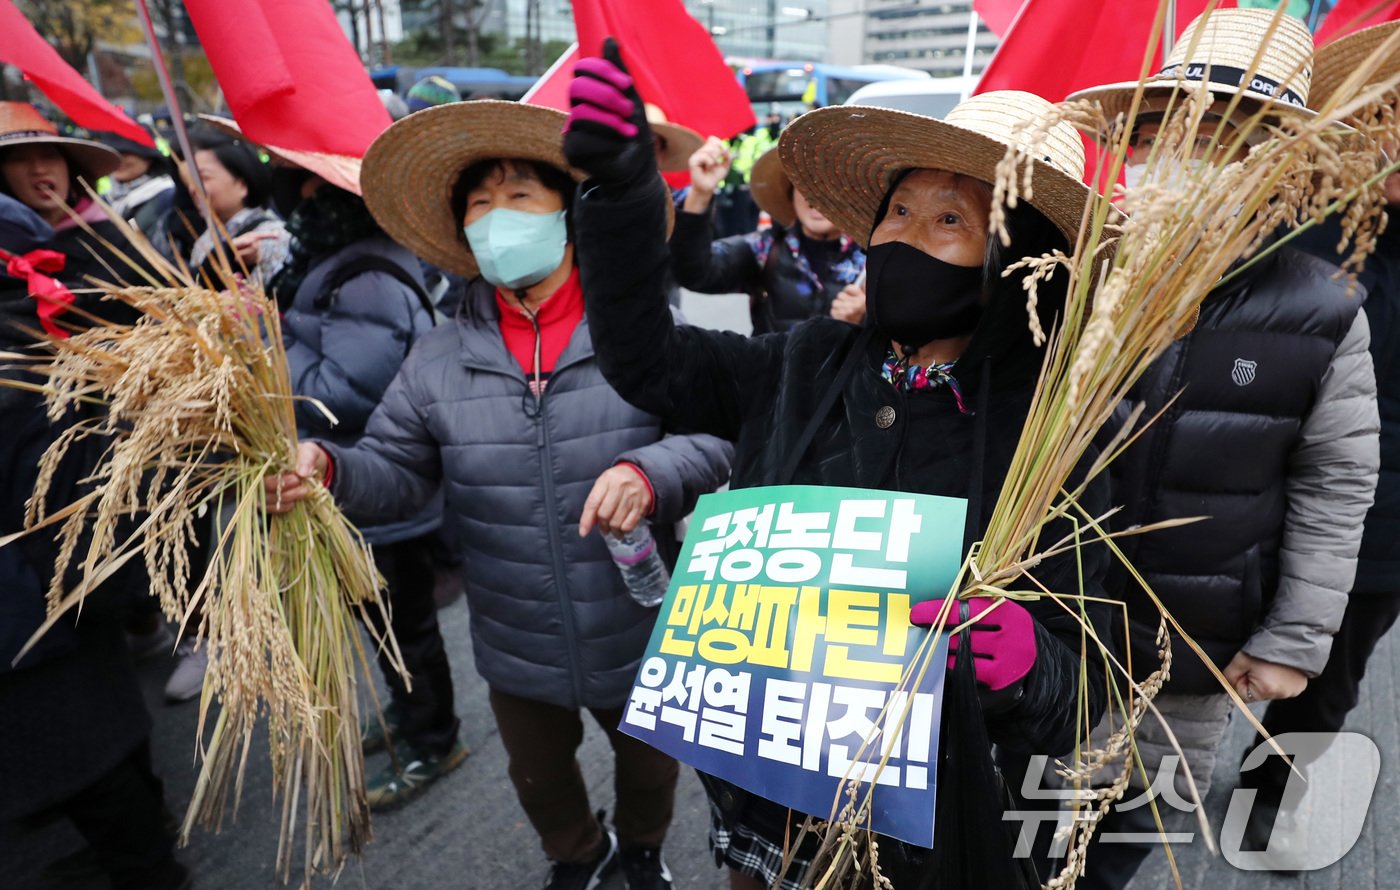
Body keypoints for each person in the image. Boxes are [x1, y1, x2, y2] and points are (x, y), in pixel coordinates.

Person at [564, 39, 1112, 890]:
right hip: (771, 803)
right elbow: (648, 360)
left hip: (937, 831)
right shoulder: (805, 361)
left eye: (950, 221)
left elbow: (1096, 675)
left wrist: (1034, 667)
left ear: (1016, 261)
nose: (905, 236)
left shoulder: (1047, 432)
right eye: (898, 212)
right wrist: (624, 197)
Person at [263, 99, 733, 890]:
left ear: (568, 211)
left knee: (651, 767)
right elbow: (397, 469)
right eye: (479, 203)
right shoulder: (437, 357)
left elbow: (717, 434)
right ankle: (580, 858)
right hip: (516, 633)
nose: (496, 218)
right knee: (540, 779)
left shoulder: (644, 326)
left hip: (642, 620)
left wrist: (652, 473)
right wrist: (330, 468)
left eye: (520, 196)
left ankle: (644, 852)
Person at [1016, 11, 1381, 889]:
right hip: (1051, 620)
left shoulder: (1323, 309)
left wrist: (1293, 638)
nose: (1192, 154)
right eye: (1170, 129)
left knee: (1139, 822)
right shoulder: (1075, 265)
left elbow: (1337, 482)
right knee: (1028, 822)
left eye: (1228, 136)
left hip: (1195, 645)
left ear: (1281, 159)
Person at [0, 106, 190, 890]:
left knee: (92, 741)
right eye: (23, 159)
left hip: (54, 550)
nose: (44, 171)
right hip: (46, 563)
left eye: (54, 157)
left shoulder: (103, 251)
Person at [1235, 19, 1400, 862]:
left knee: (1330, 680)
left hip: (1384, 522)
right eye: (1388, 116)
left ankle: (1267, 799)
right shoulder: (1309, 226)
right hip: (1261, 489)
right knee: (1197, 654)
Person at [672, 142, 866, 333]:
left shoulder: (873, 261)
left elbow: (893, 354)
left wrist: (864, 320)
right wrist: (700, 194)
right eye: (806, 185)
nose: (816, 200)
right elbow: (695, 273)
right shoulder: (766, 247)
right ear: (791, 192)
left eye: (831, 187)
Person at [184, 126, 288, 286]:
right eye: (192, 179)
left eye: (204, 178)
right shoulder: (207, 237)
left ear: (241, 184)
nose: (193, 188)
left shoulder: (271, 237)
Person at [101, 131, 175, 235]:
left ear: (148, 157)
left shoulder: (167, 195)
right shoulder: (104, 200)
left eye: (125, 153)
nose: (119, 160)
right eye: (112, 154)